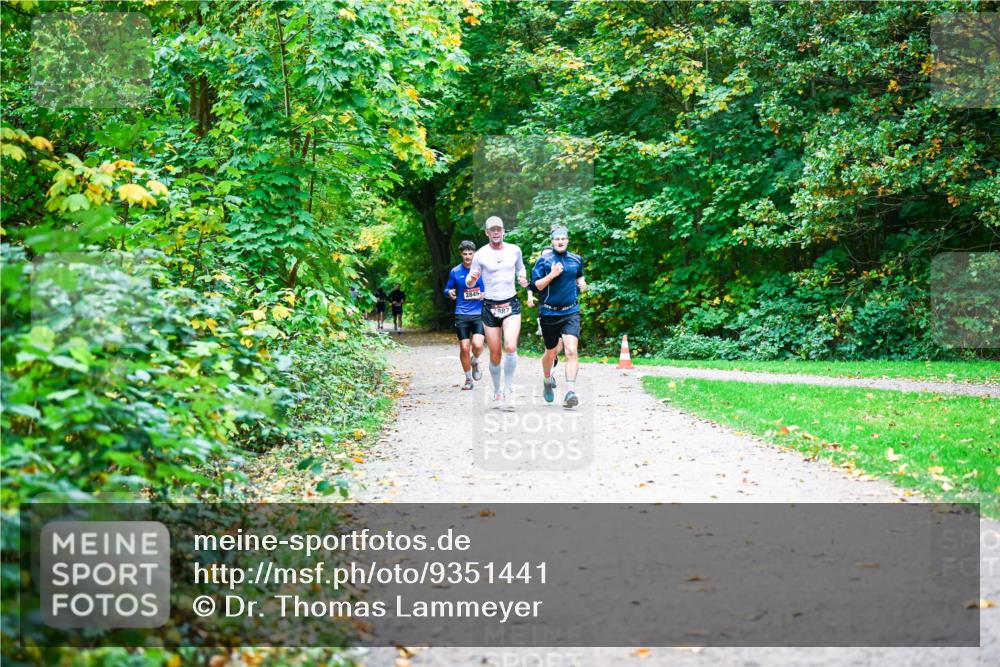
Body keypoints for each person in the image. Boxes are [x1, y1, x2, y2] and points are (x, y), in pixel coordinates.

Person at [466, 216, 529, 409]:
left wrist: (522, 277)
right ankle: (497, 391)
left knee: (510, 346)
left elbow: (521, 268)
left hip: (511, 303)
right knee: (495, 353)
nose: (496, 232)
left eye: (498, 229)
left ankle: (509, 389)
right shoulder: (480, 255)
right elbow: (469, 282)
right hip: (490, 306)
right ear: (487, 232)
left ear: (503, 231)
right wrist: (472, 279)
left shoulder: (514, 250)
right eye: (492, 229)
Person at [530, 226, 586, 408]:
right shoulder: (544, 260)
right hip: (549, 313)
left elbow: (579, 276)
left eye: (563, 239)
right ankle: (547, 380)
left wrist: (582, 283)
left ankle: (570, 392)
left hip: (571, 311)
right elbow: (536, 286)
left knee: (571, 350)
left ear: (567, 240)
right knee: (551, 352)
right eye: (557, 239)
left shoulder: (576, 259)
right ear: (552, 242)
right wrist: (552, 275)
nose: (560, 242)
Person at [443, 240, 486, 390]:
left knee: (478, 345)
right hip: (461, 313)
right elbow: (447, 289)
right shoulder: (455, 271)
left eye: (470, 253)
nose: (468, 256)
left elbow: (492, 287)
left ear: (474, 254)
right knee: (464, 347)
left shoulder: (482, 270)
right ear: (461, 254)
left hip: (479, 313)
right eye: (465, 254)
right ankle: (468, 379)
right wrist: (449, 292)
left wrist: (485, 294)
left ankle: (476, 360)